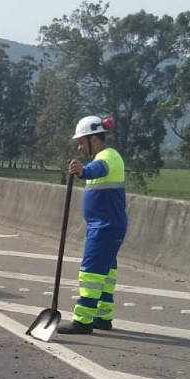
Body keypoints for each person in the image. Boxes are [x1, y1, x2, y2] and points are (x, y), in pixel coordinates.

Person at [58, 115, 128, 334]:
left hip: (105, 227)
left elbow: (98, 169)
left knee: (91, 272)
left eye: (81, 141)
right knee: (106, 274)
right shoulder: (105, 156)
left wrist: (83, 170)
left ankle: (83, 320)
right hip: (106, 226)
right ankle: (103, 316)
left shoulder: (109, 156)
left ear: (94, 139)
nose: (79, 146)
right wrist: (82, 172)